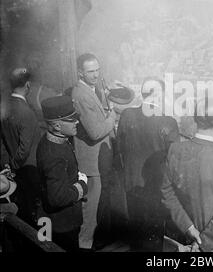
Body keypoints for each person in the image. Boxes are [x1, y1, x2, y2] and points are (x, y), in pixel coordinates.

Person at [161, 97, 213, 252]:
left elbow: (166, 193)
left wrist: (189, 228)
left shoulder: (175, 150)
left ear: (195, 119)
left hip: (185, 233)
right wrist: (203, 242)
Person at [116, 78, 179, 251]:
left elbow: (120, 148)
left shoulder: (127, 115)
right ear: (160, 95)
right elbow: (175, 159)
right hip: (155, 187)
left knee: (135, 234)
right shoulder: (168, 122)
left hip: (131, 184)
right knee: (154, 237)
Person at [71, 53, 116, 251]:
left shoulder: (91, 89)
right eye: (90, 71)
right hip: (91, 164)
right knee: (90, 216)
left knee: (95, 212)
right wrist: (112, 117)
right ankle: (84, 246)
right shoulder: (80, 94)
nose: (96, 75)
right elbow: (96, 131)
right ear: (80, 72)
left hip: (97, 161)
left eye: (98, 69)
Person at [36, 96, 88, 252]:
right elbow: (57, 198)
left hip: (57, 221)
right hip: (62, 224)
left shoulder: (52, 140)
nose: (77, 122)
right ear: (57, 126)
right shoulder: (54, 155)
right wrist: (81, 186)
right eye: (71, 120)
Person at [0, 68, 41, 227]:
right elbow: (24, 149)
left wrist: (7, 164)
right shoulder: (26, 113)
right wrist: (14, 166)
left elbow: (2, 141)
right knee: (33, 212)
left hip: (13, 171)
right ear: (28, 85)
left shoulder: (4, 108)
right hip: (29, 170)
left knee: (21, 209)